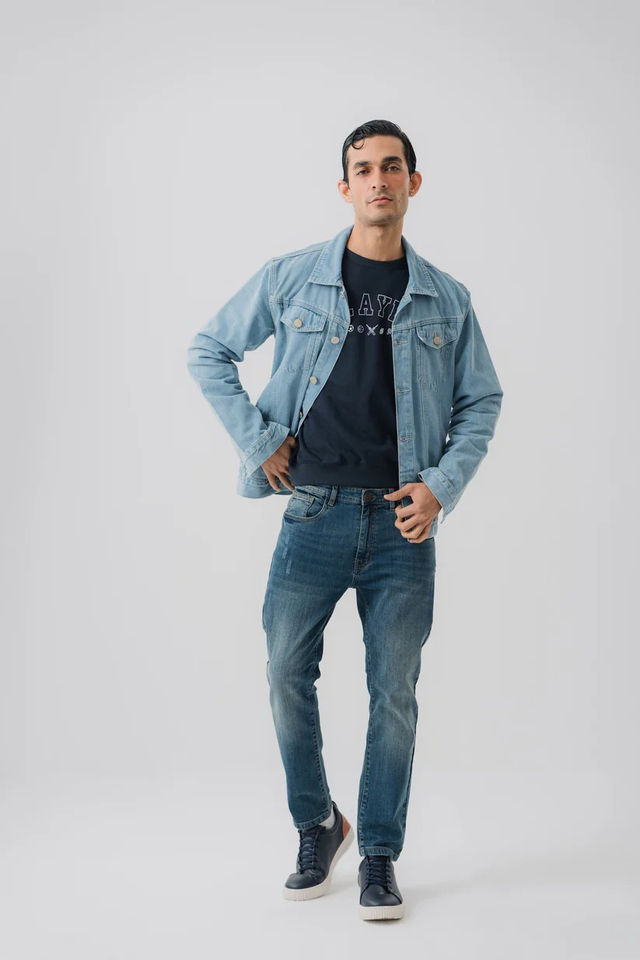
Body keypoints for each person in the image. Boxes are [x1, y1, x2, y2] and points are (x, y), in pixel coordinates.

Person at [186, 119, 504, 921]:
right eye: (363, 169)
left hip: (402, 524)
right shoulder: (294, 277)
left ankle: (380, 854)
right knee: (284, 674)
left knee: (393, 692)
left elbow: (482, 401)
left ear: (413, 183)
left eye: (392, 167)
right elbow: (208, 350)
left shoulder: (447, 297)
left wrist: (441, 487)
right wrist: (260, 440)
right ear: (344, 187)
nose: (378, 181)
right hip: (313, 513)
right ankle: (317, 825)